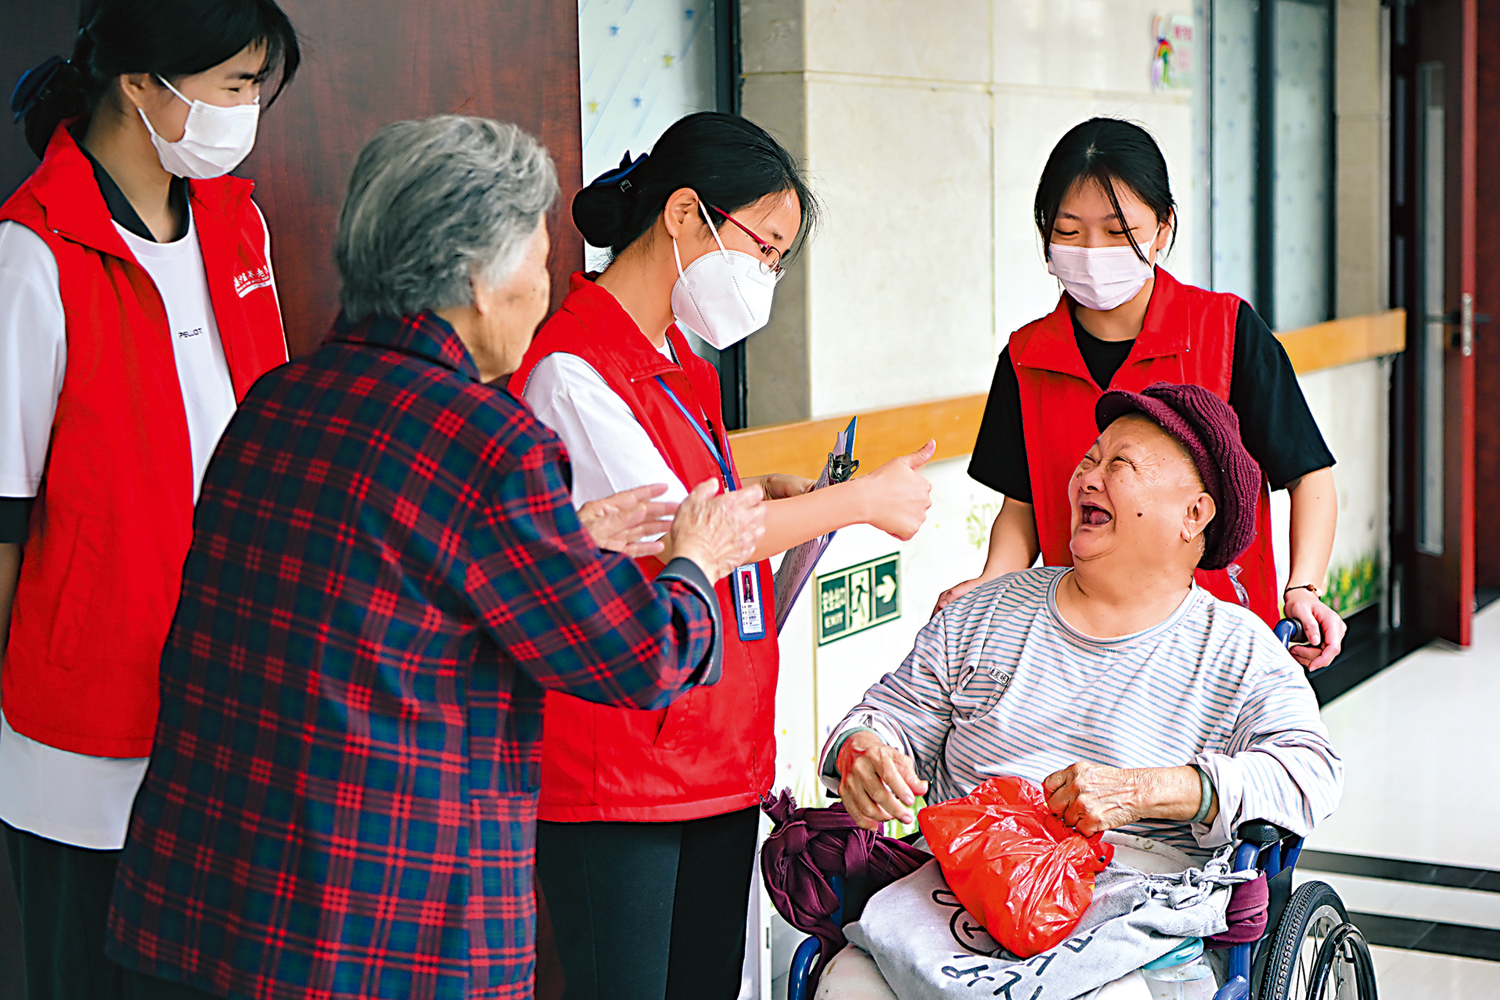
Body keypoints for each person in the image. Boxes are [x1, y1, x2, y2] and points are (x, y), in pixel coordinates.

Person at [104, 115, 765, 1000]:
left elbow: (394, 589)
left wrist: (568, 543)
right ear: (475, 280)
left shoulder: (275, 402)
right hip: (376, 934)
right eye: (536, 261)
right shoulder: (489, 442)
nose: (545, 288)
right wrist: (694, 559)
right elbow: (643, 654)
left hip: (198, 909)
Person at [508, 112, 936, 1000]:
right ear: (684, 215)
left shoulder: (680, 363)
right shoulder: (572, 370)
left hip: (712, 751)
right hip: (623, 765)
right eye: (765, 247)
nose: (766, 276)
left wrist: (775, 497)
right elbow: (687, 533)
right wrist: (855, 502)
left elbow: (713, 528)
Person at [0, 2, 298, 995]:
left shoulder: (234, 221)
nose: (249, 110)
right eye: (233, 86)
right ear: (140, 84)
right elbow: (5, 515)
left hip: (231, 704)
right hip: (81, 735)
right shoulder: (35, 255)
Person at [828, 383, 1342, 858]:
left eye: (1120, 464)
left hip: (1128, 920)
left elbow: (1310, 776)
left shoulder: (1238, 648)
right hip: (958, 894)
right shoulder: (982, 613)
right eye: (1088, 461)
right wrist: (863, 749)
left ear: (1195, 515)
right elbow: (885, 719)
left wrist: (1149, 790)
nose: (1085, 479)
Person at [934, 118, 1344, 672]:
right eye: (1070, 231)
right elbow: (1022, 507)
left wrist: (1304, 588)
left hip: (1217, 648)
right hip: (1081, 651)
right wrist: (989, 588)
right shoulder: (1026, 356)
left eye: (1116, 229)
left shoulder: (1226, 331)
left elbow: (1308, 474)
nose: (1092, 249)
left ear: (1163, 225)